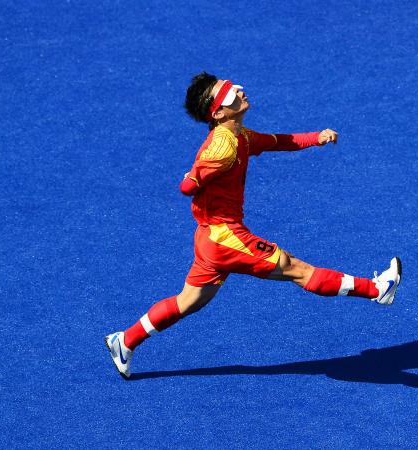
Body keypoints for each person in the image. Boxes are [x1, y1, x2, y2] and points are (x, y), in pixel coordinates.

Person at [105, 72, 402, 379]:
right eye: (228, 92)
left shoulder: (240, 136)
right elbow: (188, 184)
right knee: (295, 268)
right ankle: (377, 289)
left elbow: (277, 142)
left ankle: (124, 340)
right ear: (218, 111)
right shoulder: (224, 146)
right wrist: (194, 177)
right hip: (225, 237)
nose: (238, 89)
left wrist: (316, 137)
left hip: (209, 238)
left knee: (188, 301)